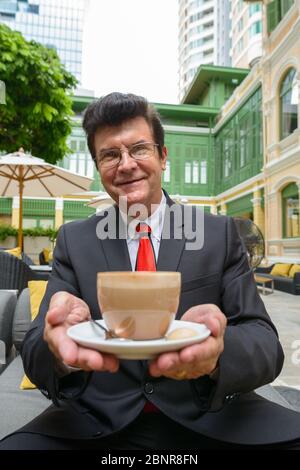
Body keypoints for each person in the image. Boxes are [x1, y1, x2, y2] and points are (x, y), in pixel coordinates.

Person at [1, 92, 300, 450]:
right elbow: (35, 349)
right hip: (95, 421)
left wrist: (217, 355)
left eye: (139, 149)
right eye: (110, 155)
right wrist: (59, 352)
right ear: (99, 168)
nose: (126, 164)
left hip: (212, 417)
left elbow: (265, 343)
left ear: (162, 156)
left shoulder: (217, 234)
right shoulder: (74, 239)